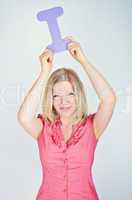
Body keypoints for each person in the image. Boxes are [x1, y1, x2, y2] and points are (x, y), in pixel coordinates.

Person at [17, 36, 116, 200]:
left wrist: (83, 61)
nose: (64, 101)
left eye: (70, 93)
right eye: (56, 96)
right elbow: (24, 117)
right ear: (51, 99)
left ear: (79, 95)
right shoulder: (43, 128)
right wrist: (45, 72)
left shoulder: (93, 126)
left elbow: (109, 99)